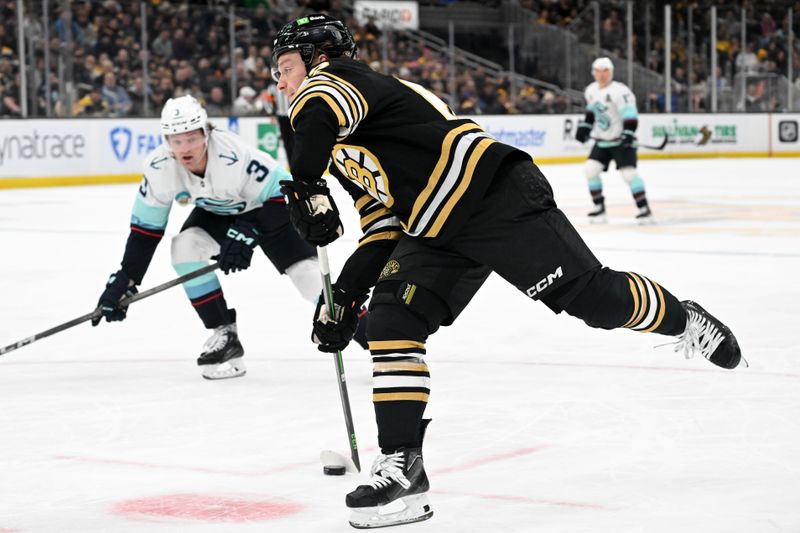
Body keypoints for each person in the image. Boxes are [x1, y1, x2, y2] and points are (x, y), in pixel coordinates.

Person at [272, 14, 743, 529]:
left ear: (318, 57)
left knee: (594, 300)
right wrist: (343, 295)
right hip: (435, 229)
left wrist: (303, 181)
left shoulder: (338, 83)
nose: (280, 81)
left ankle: (684, 319)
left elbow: (317, 107)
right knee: (389, 321)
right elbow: (384, 227)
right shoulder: (339, 147)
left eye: (286, 67)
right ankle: (404, 467)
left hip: (490, 194)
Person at [92, 94, 365, 380]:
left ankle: (377, 339)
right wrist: (127, 278)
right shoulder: (160, 168)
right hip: (220, 213)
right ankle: (224, 333)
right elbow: (145, 232)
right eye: (176, 140)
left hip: (273, 208)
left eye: (191, 138)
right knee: (184, 247)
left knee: (308, 279)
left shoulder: (232, 156)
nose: (185, 148)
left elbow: (283, 192)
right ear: (166, 141)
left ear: (206, 134)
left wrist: (250, 230)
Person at [575, 57, 653, 224]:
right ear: (593, 73)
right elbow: (591, 113)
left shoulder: (620, 91)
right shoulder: (590, 90)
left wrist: (628, 133)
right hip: (602, 141)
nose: (602, 75)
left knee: (629, 174)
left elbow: (630, 115)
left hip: (621, 141)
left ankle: (644, 208)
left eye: (606, 71)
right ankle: (599, 207)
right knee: (590, 170)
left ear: (611, 72)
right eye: (598, 71)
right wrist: (585, 128)